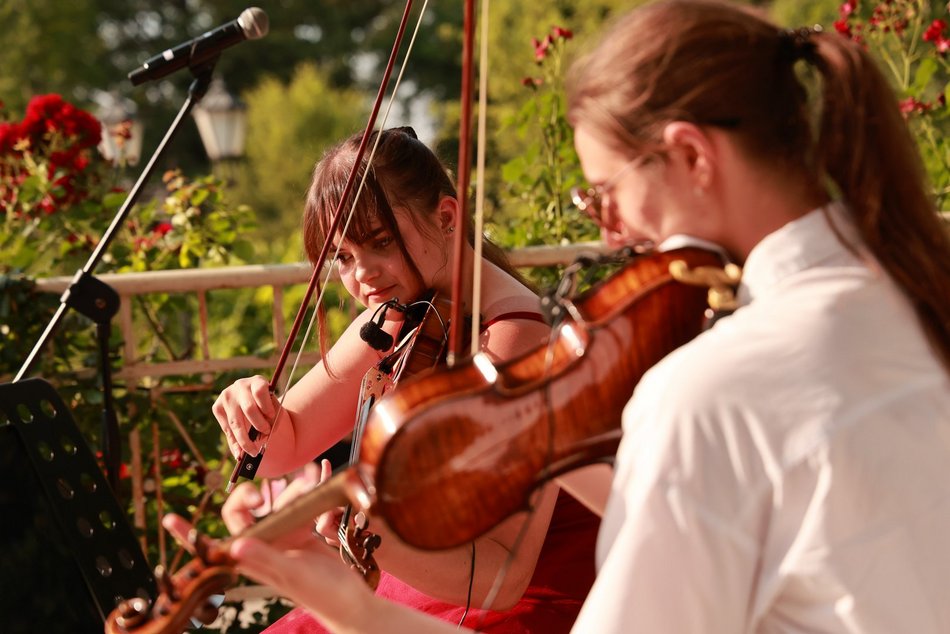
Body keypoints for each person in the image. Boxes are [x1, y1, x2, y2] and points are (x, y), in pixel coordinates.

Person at [166, 0, 950, 631]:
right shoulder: (915, 299)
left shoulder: (711, 392)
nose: (609, 234)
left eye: (604, 193)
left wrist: (354, 607)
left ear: (691, 156)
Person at [210, 126, 601, 632]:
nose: (362, 274)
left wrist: (362, 529)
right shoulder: (401, 313)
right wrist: (248, 408)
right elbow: (283, 446)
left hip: (520, 606)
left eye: (380, 242)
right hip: (425, 584)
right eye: (343, 257)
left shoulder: (520, 339)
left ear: (446, 217)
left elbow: (501, 579)